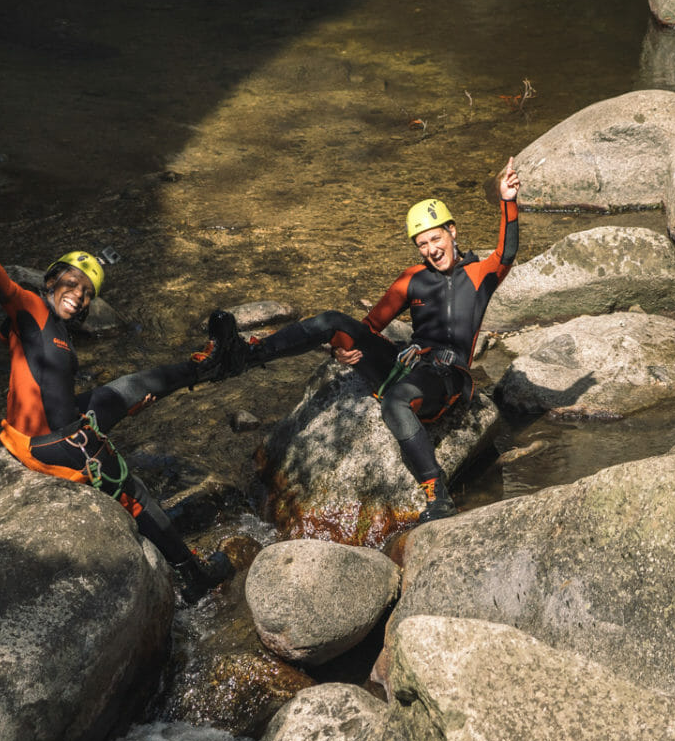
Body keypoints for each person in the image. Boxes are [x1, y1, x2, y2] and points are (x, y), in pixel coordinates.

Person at [0, 210, 236, 601]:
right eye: (73, 283)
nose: (79, 295)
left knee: (124, 390)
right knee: (135, 492)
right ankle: (192, 572)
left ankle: (205, 364)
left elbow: (52, 388)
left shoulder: (53, 328)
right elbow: (7, 291)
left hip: (38, 431)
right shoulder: (31, 307)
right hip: (55, 443)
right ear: (52, 281)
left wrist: (127, 409)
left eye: (87, 293)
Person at [222, 158, 521, 522]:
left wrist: (508, 200)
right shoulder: (411, 279)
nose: (431, 249)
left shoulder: (479, 274)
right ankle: (246, 354)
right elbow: (371, 325)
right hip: (406, 361)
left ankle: (436, 494)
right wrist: (341, 349)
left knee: (395, 402)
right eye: (422, 243)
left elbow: (506, 252)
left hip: (445, 375)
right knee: (332, 321)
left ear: (453, 232)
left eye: (436, 238)